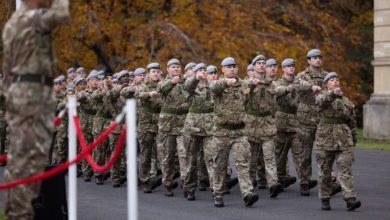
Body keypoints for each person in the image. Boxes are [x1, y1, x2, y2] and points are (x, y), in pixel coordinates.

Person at [2, 0, 69, 217]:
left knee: (21, 154)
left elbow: (7, 67)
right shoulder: (32, 19)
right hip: (32, 93)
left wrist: (9, 100)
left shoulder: (12, 24)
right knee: (34, 154)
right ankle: (22, 210)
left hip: (20, 92)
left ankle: (17, 209)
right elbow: (61, 14)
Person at [211, 57, 258, 208]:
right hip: (222, 132)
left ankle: (247, 194)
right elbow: (213, 87)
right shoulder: (218, 84)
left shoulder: (243, 85)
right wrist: (225, 82)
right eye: (229, 67)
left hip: (239, 132)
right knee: (219, 165)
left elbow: (248, 101)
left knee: (243, 163)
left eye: (234, 67)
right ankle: (218, 193)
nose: (232, 69)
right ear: (223, 69)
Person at [315, 72, 361, 211]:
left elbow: (352, 121)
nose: (335, 82)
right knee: (325, 172)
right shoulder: (321, 97)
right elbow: (321, 101)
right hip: (325, 140)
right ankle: (325, 198)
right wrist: (332, 94)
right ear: (326, 84)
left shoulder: (346, 101)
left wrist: (353, 137)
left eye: (337, 80)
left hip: (343, 140)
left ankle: (350, 199)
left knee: (345, 170)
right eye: (332, 80)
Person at [245, 55, 283, 198]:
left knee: (269, 156)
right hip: (252, 125)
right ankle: (248, 185)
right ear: (253, 66)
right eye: (259, 63)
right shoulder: (246, 83)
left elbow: (277, 98)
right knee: (251, 159)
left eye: (263, 63)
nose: (261, 65)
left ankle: (273, 184)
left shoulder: (272, 84)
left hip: (267, 124)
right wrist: (251, 86)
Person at [181, 63, 215, 200]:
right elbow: (188, 87)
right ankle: (189, 188)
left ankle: (216, 190)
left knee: (212, 158)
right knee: (191, 161)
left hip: (209, 127)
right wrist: (196, 78)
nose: (203, 72)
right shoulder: (190, 85)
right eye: (200, 70)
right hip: (193, 127)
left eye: (204, 70)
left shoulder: (211, 86)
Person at [296, 48, 327, 196]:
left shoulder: (327, 76)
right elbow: (298, 84)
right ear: (309, 60)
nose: (318, 60)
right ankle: (304, 182)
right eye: (314, 58)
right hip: (306, 120)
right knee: (305, 153)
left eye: (320, 57)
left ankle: (327, 182)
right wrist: (311, 86)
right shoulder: (302, 75)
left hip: (322, 120)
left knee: (325, 153)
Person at [157, 58, 189, 197]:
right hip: (168, 125)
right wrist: (171, 82)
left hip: (183, 123)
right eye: (173, 67)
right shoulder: (163, 82)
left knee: (184, 155)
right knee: (168, 156)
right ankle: (168, 184)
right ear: (168, 69)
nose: (176, 69)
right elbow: (161, 90)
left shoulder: (186, 82)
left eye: (178, 67)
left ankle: (186, 185)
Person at [134, 63, 163, 193]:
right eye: (153, 71)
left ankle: (162, 178)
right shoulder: (143, 85)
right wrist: (149, 94)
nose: (155, 74)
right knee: (146, 153)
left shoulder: (163, 85)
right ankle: (144, 179)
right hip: (146, 125)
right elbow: (139, 94)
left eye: (157, 71)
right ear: (148, 74)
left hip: (161, 123)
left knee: (162, 152)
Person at [274, 58, 301, 189]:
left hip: (296, 121)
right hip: (282, 123)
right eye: (288, 66)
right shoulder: (278, 82)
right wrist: (286, 89)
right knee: (281, 153)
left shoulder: (299, 82)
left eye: (293, 66)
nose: (291, 68)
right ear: (283, 69)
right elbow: (275, 91)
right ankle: (280, 178)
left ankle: (304, 181)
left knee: (299, 152)